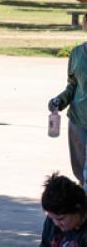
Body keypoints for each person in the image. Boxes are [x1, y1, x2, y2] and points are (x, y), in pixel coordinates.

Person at [47, 13, 87, 187]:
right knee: (81, 173)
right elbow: (72, 85)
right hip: (79, 120)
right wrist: (59, 101)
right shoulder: (77, 53)